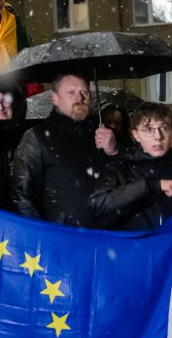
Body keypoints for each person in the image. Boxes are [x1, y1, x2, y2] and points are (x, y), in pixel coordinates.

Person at [88, 102, 172, 338]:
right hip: (135, 285)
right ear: (135, 134)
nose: (157, 137)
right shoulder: (119, 171)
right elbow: (98, 209)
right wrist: (150, 186)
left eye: (163, 128)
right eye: (148, 129)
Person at [12, 73, 119, 227]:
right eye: (71, 92)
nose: (79, 98)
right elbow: (23, 196)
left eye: (84, 92)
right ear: (55, 98)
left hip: (108, 236)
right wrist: (44, 236)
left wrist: (114, 152)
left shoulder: (105, 135)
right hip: (62, 239)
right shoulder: (37, 137)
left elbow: (126, 182)